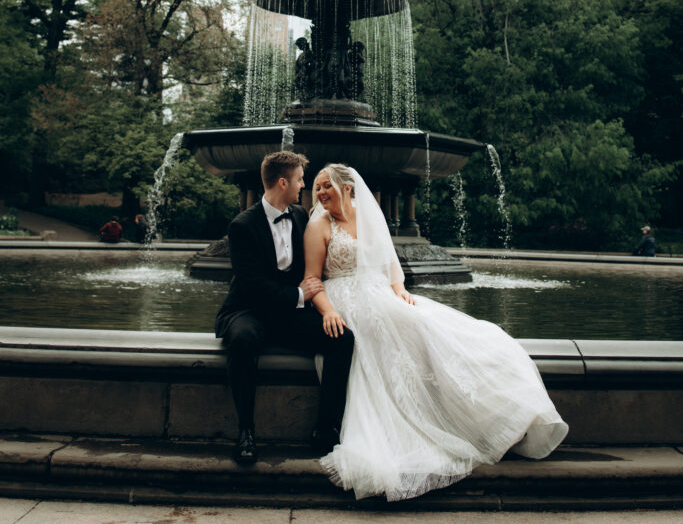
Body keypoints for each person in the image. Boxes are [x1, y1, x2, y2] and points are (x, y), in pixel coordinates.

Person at [303, 163, 569, 502]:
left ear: (348, 188)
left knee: (423, 325)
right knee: (382, 337)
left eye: (327, 186)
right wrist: (328, 311)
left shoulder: (369, 215)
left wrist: (399, 288)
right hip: (344, 299)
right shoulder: (318, 225)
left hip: (380, 292)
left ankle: (487, 416)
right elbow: (311, 280)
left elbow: (389, 262)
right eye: (317, 187)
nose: (321, 193)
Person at [215, 151, 355, 465]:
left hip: (288, 313)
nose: (303, 186)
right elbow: (251, 286)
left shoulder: (301, 216)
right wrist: (298, 295)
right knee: (242, 340)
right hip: (248, 310)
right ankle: (246, 432)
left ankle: (325, 428)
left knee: (342, 339)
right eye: (300, 180)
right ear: (283, 182)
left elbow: (316, 264)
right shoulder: (242, 226)